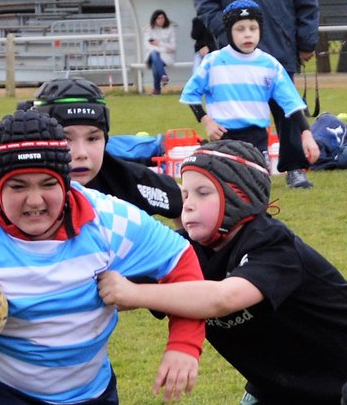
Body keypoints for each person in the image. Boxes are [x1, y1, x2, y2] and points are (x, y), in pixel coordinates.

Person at [0, 109, 205, 404]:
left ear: (65, 182)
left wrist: (184, 344)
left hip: (88, 391)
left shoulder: (111, 221)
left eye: (48, 183)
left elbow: (180, 261)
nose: (34, 200)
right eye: (18, 186)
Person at [97, 139, 347, 405]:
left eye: (202, 192)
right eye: (185, 195)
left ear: (240, 195)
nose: (188, 205)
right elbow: (105, 289)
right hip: (279, 386)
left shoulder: (273, 244)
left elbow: (222, 299)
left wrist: (133, 293)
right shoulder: (179, 250)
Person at [192, 0, 320, 188]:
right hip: (233, 57)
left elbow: (307, 1)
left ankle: (294, 167)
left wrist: (306, 41)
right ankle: (237, 167)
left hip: (279, 49)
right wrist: (222, 30)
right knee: (237, 113)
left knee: (287, 110)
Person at [0, 78, 182, 221]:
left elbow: (183, 202)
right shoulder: (0, 191)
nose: (81, 153)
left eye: (93, 138)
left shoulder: (127, 179)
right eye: (66, 138)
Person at [179, 0, 319, 189]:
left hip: (257, 139)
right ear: (229, 32)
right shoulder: (214, 62)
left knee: (256, 189)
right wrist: (206, 121)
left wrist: (307, 134)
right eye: (240, 29)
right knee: (228, 190)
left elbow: (291, 104)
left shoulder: (270, 65)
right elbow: (190, 95)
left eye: (253, 28)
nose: (248, 34)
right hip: (224, 138)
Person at [145, 9, 175, 95]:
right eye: (158, 18)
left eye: (162, 18)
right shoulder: (149, 29)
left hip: (165, 57)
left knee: (156, 64)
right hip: (152, 55)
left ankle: (156, 90)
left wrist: (159, 43)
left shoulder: (170, 29)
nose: (161, 20)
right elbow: (148, 46)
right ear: (154, 19)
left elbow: (173, 47)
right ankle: (163, 76)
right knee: (154, 53)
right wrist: (165, 48)